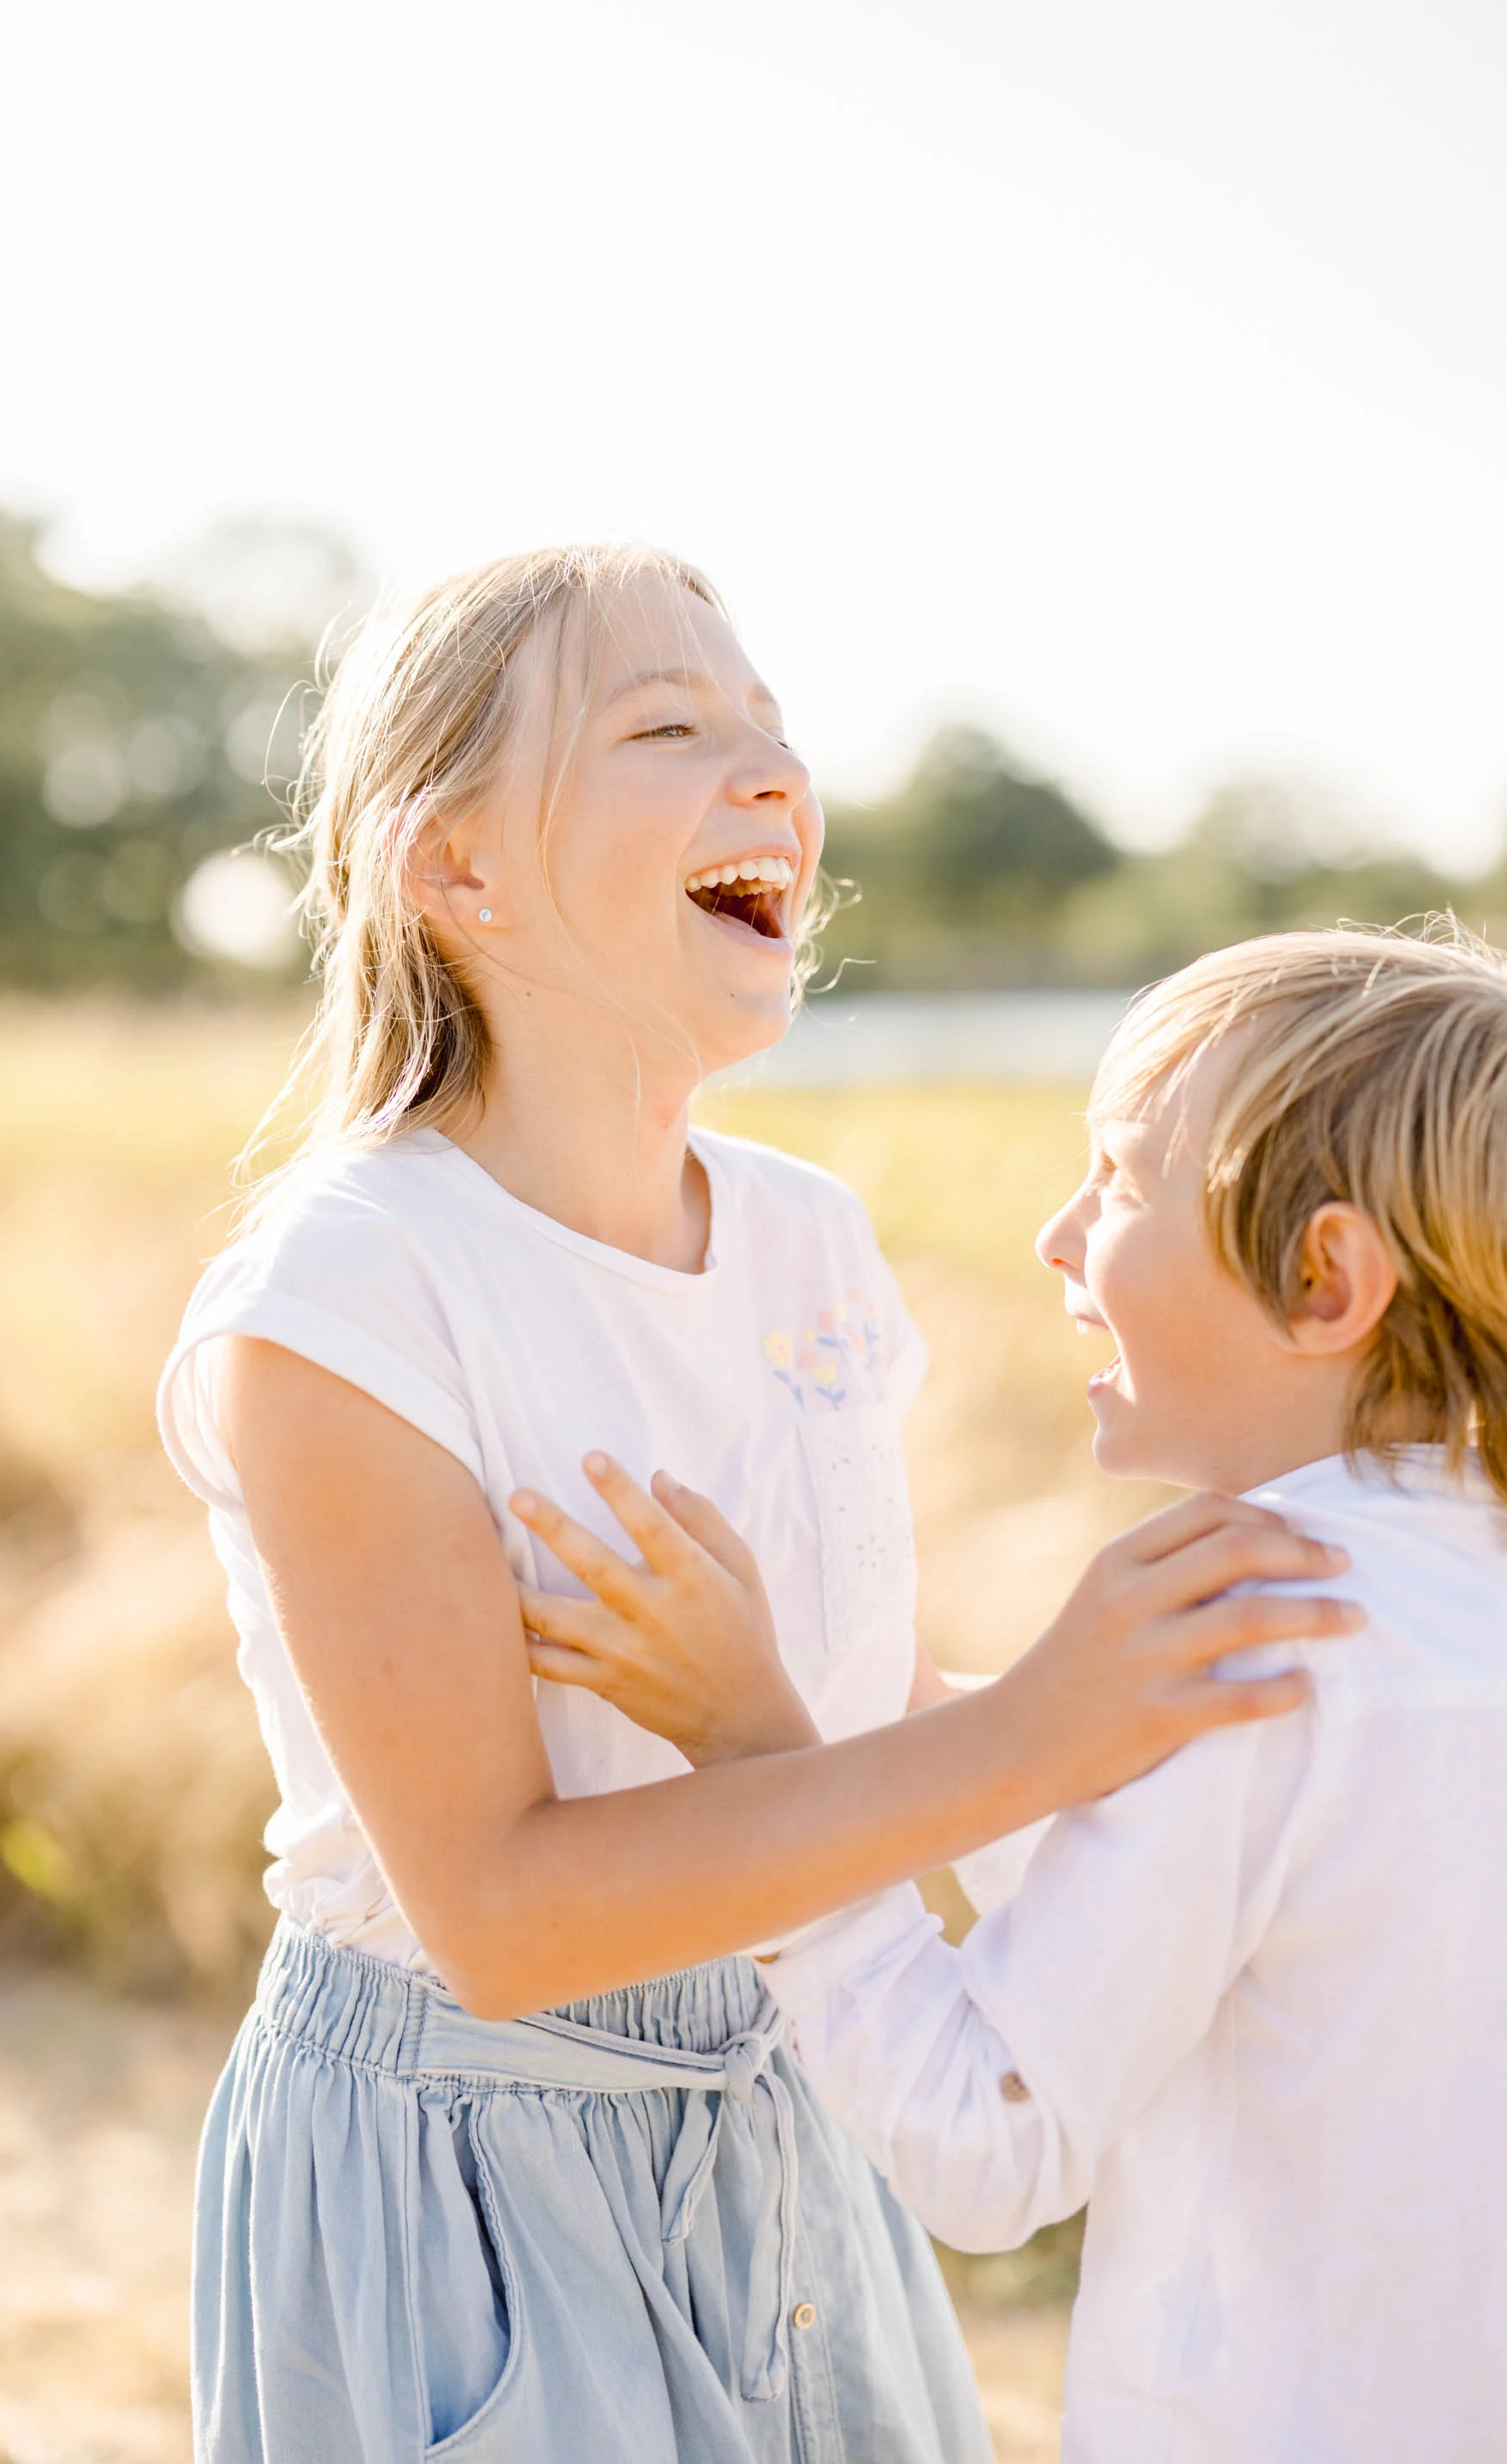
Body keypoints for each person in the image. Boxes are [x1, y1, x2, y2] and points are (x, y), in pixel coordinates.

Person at [157, 545, 1351, 2464]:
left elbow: (859, 1719)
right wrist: (1041, 1734)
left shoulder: (809, 1241)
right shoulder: (351, 1294)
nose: (776, 773)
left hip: (797, 2121)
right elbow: (505, 1917)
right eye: (671, 727)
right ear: (451, 869)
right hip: (468, 2175)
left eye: (776, 731)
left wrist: (1208, 1757)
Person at [516, 922, 1507, 2464]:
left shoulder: (1254, 1629)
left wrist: (756, 1753)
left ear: (1324, 1279)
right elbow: (1217, 1908)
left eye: (1117, 1180)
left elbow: (990, 2139)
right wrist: (900, 1692)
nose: (1057, 1233)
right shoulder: (1452, 1606)